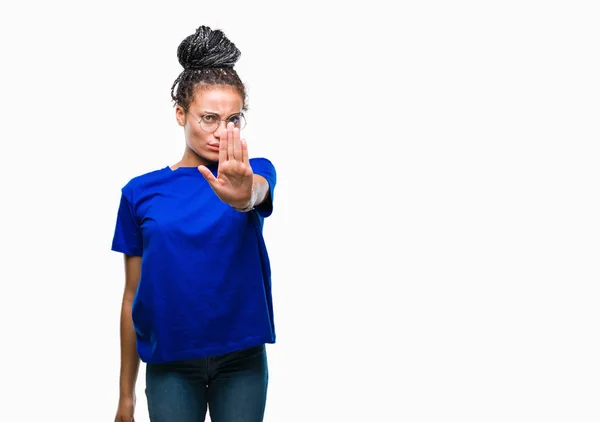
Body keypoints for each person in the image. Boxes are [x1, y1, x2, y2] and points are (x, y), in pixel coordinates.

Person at [111, 25, 277, 422]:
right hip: (171, 362)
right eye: (208, 118)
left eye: (233, 118)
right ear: (180, 114)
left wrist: (244, 196)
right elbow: (132, 297)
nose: (222, 132)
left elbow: (256, 191)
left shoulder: (255, 171)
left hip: (242, 361)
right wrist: (126, 396)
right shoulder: (140, 193)